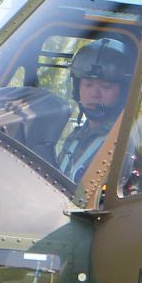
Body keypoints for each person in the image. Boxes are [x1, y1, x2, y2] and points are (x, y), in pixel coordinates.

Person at [52, 35, 134, 182]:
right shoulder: (74, 138)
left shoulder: (124, 143)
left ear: (123, 92)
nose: (95, 94)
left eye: (106, 86)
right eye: (88, 85)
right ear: (78, 89)